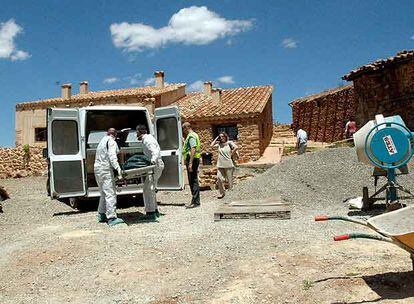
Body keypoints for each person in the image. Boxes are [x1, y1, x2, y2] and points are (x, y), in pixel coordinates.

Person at [94, 128, 124, 226]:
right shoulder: (111, 142)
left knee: (103, 192)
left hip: (98, 169)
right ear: (115, 135)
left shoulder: (102, 141)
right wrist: (118, 169)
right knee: (110, 193)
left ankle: (101, 214)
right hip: (105, 169)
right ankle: (112, 218)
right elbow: (112, 157)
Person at [136, 124, 165, 221]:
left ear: (139, 132)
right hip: (156, 165)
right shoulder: (148, 138)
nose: (136, 135)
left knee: (148, 188)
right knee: (151, 188)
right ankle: (155, 210)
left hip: (155, 165)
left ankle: (150, 212)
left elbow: (155, 151)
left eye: (136, 133)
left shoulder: (147, 139)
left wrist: (152, 161)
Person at [211, 132, 238, 199]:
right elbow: (211, 145)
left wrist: (231, 154)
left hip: (228, 164)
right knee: (219, 178)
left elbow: (236, 147)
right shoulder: (219, 144)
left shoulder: (229, 143)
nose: (222, 138)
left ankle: (231, 195)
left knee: (230, 181)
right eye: (220, 137)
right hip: (220, 164)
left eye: (223, 136)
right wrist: (216, 138)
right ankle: (222, 193)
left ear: (225, 137)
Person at [182, 122, 201, 208]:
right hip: (194, 159)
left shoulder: (191, 136)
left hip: (192, 160)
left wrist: (190, 162)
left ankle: (196, 202)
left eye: (183, 129)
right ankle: (194, 200)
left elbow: (193, 148)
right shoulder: (194, 135)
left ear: (186, 128)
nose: (183, 131)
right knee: (193, 180)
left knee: (193, 181)